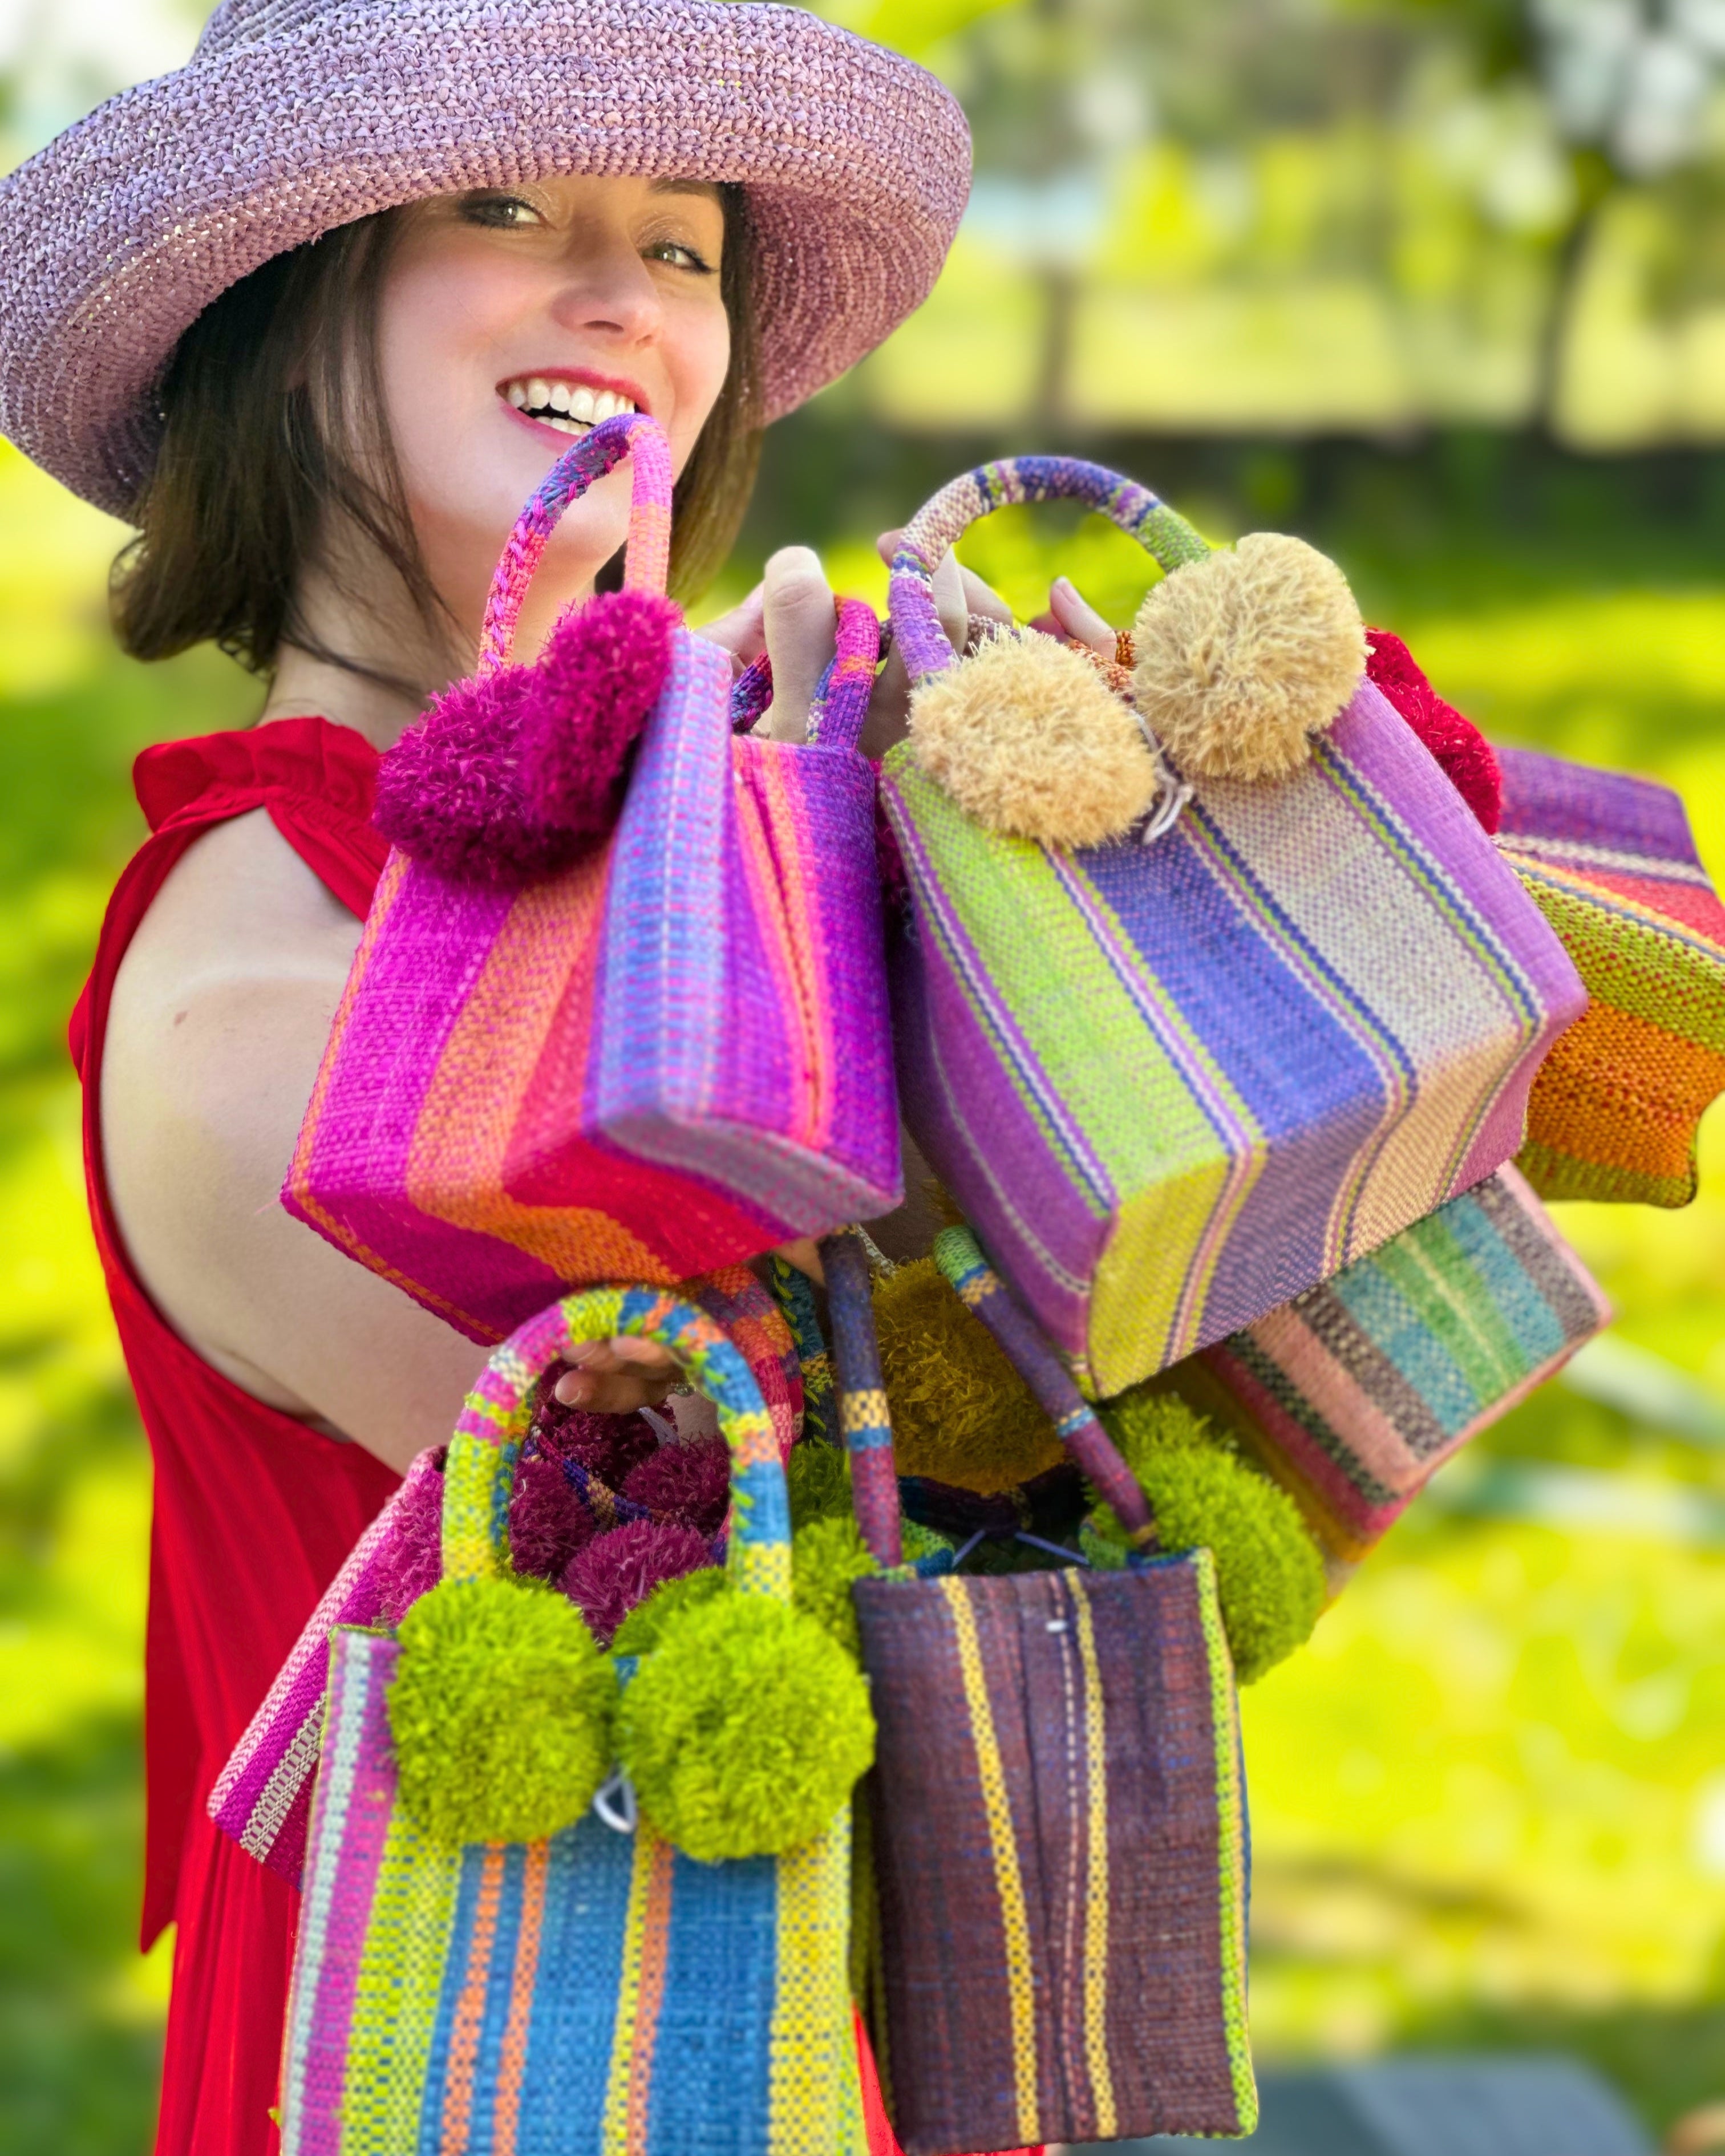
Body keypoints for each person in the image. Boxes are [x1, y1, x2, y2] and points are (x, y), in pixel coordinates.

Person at [0, 2, 1115, 2149]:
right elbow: (753, 1512)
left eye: (685, 245)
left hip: (755, 2003)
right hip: (494, 2046)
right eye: (502, 206)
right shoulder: (264, 978)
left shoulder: (692, 862)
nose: (621, 297)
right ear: (277, 302)